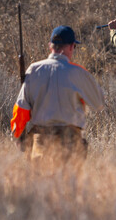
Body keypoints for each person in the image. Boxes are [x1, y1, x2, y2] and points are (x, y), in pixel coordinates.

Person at [11, 25, 105, 166]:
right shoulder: (78, 73)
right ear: (72, 46)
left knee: (42, 184)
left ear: (50, 46)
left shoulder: (34, 70)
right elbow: (98, 104)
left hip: (41, 142)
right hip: (71, 142)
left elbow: (21, 109)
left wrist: (18, 136)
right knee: (69, 184)